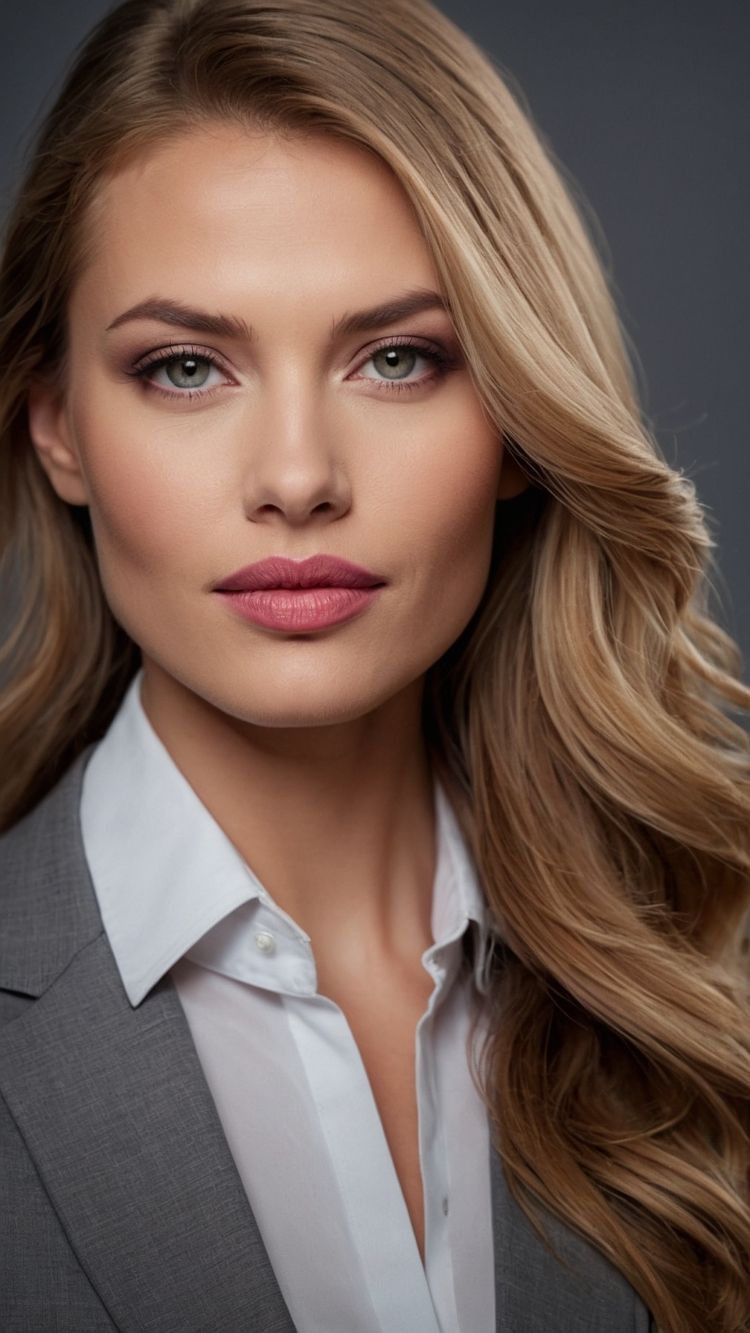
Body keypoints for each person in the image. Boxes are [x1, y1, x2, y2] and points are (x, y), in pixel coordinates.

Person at [1, 0, 749, 1329]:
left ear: (519, 413)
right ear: (56, 425)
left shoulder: (703, 991)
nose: (296, 478)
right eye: (184, 368)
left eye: (396, 359)